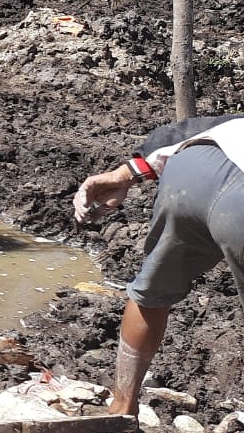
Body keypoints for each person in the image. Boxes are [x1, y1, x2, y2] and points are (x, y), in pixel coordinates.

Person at [73, 114, 244, 415]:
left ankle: (122, 408)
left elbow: (185, 131)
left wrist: (122, 176)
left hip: (193, 170)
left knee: (152, 291)